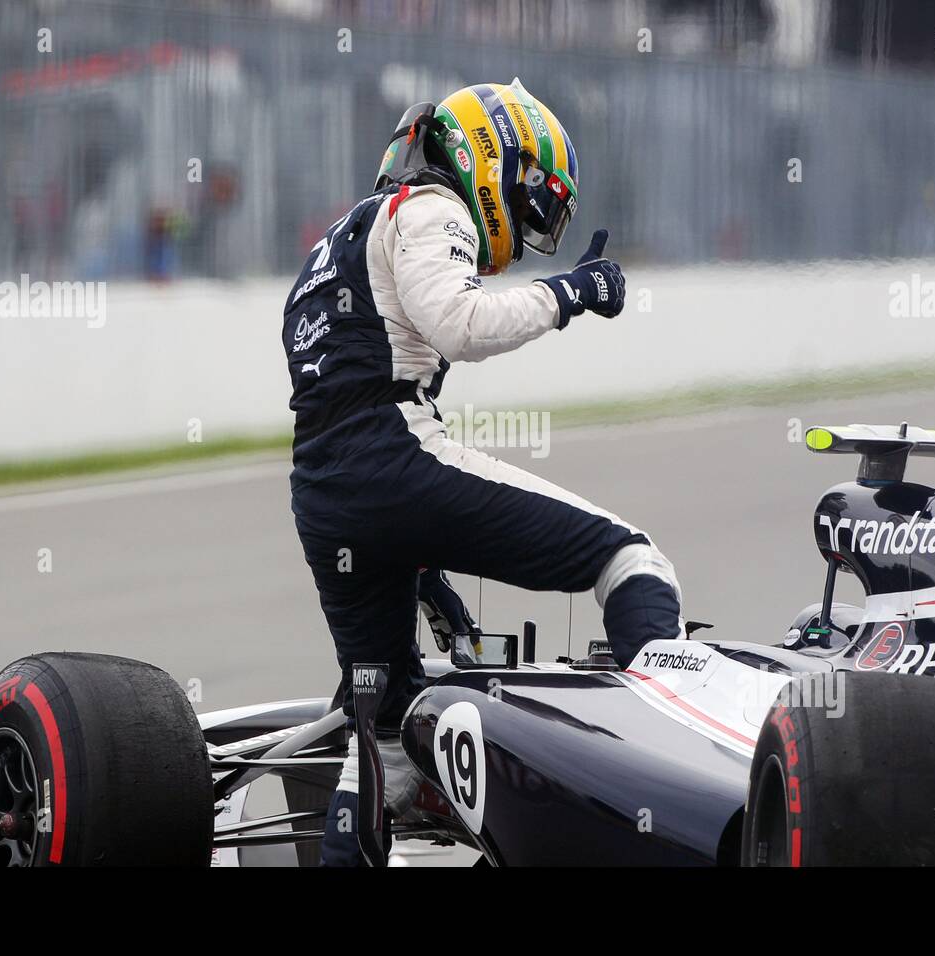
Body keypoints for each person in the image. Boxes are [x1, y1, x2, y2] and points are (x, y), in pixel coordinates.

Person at [283, 80, 683, 865]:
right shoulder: (432, 207)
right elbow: (459, 326)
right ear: (488, 153)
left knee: (385, 731)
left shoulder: (338, 240)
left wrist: (410, 555)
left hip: (323, 493)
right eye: (530, 191)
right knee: (630, 558)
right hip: (392, 455)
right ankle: (669, 774)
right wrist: (571, 293)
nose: (529, 218)